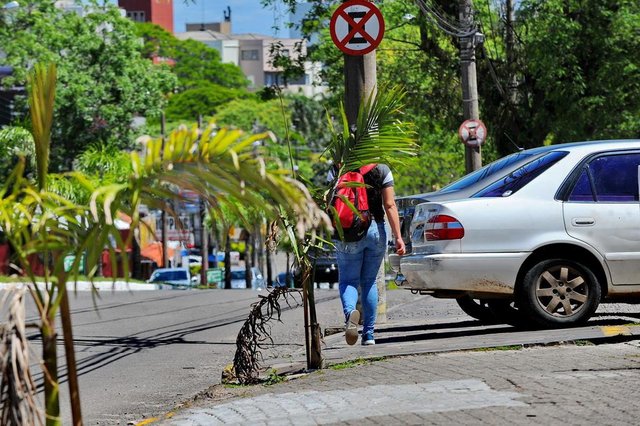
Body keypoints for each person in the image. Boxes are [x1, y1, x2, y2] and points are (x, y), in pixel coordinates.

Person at [332, 163, 405, 346]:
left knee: (348, 281)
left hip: (348, 231)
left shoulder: (338, 166)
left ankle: (350, 314)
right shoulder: (382, 169)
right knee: (369, 282)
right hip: (375, 230)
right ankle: (369, 335)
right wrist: (398, 237)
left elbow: (330, 202)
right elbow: (389, 204)